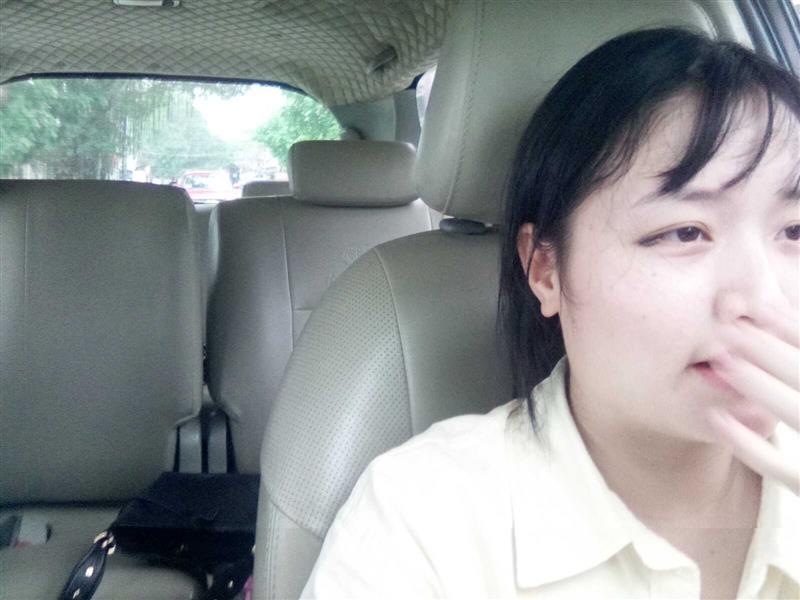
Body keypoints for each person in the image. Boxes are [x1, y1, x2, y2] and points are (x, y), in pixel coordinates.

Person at [301, 28, 799, 599]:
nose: (766, 300)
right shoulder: (419, 524)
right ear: (545, 270)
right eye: (684, 232)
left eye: (795, 230)